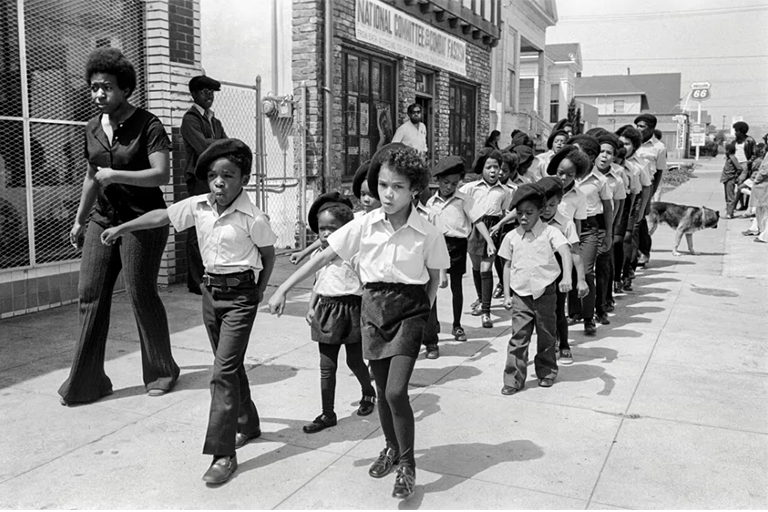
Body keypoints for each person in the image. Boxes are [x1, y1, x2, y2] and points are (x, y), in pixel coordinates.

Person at [268, 143, 450, 499]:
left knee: (397, 390)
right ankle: (391, 447)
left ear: (414, 189)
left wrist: (422, 313)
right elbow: (322, 257)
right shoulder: (364, 226)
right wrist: (284, 288)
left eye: (397, 186)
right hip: (373, 308)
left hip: (410, 310)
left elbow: (433, 279)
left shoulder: (428, 233)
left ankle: (408, 465)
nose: (387, 193)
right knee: (382, 391)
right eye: (382, 185)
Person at [101, 138, 277, 485]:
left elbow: (268, 255)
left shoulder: (253, 217)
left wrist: (258, 291)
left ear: (244, 179)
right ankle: (250, 423)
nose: (219, 183)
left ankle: (223, 453)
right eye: (213, 175)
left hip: (241, 296)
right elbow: (161, 216)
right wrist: (123, 227)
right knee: (231, 366)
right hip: (211, 294)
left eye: (228, 175)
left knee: (222, 372)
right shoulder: (198, 206)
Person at [59, 47, 179, 406]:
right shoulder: (92, 127)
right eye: (94, 87)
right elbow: (90, 177)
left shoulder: (149, 125)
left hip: (143, 219)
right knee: (90, 294)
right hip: (103, 218)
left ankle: (161, 371)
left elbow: (161, 174)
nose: (99, 94)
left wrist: (115, 173)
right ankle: (87, 381)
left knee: (141, 293)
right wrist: (80, 219)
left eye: (107, 87)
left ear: (125, 88)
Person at [301, 192, 377, 432]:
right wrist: (311, 306)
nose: (325, 233)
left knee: (354, 360)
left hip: (351, 310)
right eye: (322, 228)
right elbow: (318, 283)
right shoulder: (318, 256)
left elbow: (366, 285)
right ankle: (327, 413)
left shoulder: (353, 256)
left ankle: (368, 392)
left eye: (332, 229)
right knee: (326, 366)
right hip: (326, 310)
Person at [499, 183, 573, 395]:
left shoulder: (551, 232)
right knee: (518, 338)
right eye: (520, 213)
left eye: (529, 213)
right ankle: (513, 379)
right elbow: (506, 265)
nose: (523, 218)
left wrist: (567, 276)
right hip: (521, 295)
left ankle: (547, 372)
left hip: (545, 293)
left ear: (540, 211)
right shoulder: (511, 237)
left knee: (547, 334)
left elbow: (565, 251)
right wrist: (506, 295)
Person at [424, 156, 484, 354]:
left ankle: (457, 324)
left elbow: (477, 220)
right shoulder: (431, 202)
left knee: (456, 287)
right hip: (435, 244)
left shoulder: (463, 200)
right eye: (445, 182)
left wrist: (489, 241)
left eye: (454, 183)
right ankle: (434, 324)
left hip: (457, 245)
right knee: (433, 285)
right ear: (438, 181)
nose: (449, 187)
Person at [181, 75, 228, 294]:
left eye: (211, 92)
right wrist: (218, 144)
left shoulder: (214, 120)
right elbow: (202, 147)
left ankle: (209, 276)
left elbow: (226, 145)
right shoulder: (190, 119)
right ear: (194, 94)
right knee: (196, 230)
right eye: (204, 91)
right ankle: (195, 281)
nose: (209, 96)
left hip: (214, 179)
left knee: (212, 228)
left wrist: (217, 144)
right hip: (199, 180)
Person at [290, 160, 381, 265]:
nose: (366, 199)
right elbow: (332, 237)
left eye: (371, 195)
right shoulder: (355, 219)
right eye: (363, 194)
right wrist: (304, 252)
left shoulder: (387, 221)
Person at [538, 177, 588, 365]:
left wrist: (580, 279)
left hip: (559, 272)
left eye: (552, 204)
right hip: (538, 272)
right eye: (543, 205)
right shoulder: (532, 221)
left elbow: (575, 252)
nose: (547, 209)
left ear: (559, 202)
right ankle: (543, 346)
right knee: (539, 313)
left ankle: (564, 345)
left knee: (559, 310)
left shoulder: (566, 223)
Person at [460, 149, 509, 328]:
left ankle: (486, 312)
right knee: (475, 266)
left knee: (486, 268)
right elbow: (460, 204)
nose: (493, 171)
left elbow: (507, 212)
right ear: (482, 168)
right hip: (475, 228)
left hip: (493, 228)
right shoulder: (471, 188)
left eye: (496, 167)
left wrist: (499, 225)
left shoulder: (504, 191)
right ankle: (481, 299)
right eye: (489, 167)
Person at [570, 138, 613, 335]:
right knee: (566, 272)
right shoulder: (566, 175)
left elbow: (608, 209)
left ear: (590, 157)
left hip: (589, 229)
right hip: (566, 227)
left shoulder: (600, 181)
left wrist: (608, 234)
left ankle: (589, 317)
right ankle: (572, 312)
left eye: (577, 153)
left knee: (586, 273)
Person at [593, 134, 626, 325]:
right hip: (586, 225)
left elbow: (619, 206)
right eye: (601, 152)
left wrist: (610, 230)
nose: (604, 156)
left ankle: (603, 305)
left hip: (605, 226)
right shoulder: (584, 175)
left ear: (614, 157)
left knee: (603, 268)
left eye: (609, 153)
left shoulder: (617, 179)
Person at [616, 125, 652, 291]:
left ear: (635, 146)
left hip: (634, 202)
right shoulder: (613, 160)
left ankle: (628, 271)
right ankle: (618, 272)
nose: (624, 147)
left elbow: (646, 188)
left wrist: (642, 211)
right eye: (621, 143)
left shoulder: (641, 164)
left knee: (628, 238)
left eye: (628, 144)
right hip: (618, 204)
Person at [634, 114, 667, 266]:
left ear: (652, 128)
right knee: (631, 220)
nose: (639, 129)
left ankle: (643, 252)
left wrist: (652, 191)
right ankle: (634, 252)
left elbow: (659, 171)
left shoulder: (659, 148)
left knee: (640, 220)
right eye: (637, 126)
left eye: (642, 126)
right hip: (630, 184)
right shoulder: (631, 142)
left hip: (646, 186)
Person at [721, 142, 744, 219]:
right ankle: (729, 212)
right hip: (726, 179)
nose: (725, 151)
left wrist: (735, 176)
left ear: (729, 151)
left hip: (730, 179)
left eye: (726, 150)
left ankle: (730, 213)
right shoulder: (729, 158)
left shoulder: (732, 158)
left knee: (730, 197)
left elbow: (740, 168)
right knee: (727, 197)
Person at [749, 156, 768, 243]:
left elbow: (765, 170)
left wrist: (756, 180)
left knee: (764, 213)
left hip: (763, 186)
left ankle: (764, 235)